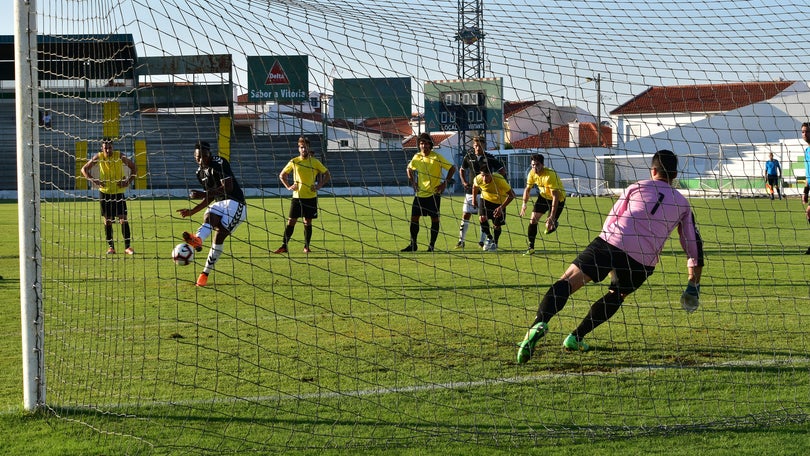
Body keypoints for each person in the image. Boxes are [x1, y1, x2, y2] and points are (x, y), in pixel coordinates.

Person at [516, 150, 704, 364]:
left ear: (653, 171)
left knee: (567, 281)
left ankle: (539, 324)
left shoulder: (637, 187)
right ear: (675, 175)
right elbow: (692, 245)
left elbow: (613, 216)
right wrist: (692, 282)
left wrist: (607, 246)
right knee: (617, 294)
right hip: (643, 260)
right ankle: (576, 338)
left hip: (611, 241)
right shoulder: (682, 203)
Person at [177, 140, 247, 287]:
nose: (201, 160)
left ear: (209, 154)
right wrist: (192, 211)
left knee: (218, 236)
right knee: (209, 216)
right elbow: (210, 197)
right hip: (220, 204)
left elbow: (228, 187)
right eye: (197, 157)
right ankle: (198, 239)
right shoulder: (200, 173)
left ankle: (205, 272)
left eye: (204, 156)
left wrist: (203, 193)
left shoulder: (219, 162)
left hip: (236, 204)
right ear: (194, 156)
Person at [274, 136, 331, 254]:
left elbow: (327, 174)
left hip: (310, 197)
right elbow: (282, 175)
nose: (304, 149)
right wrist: (288, 186)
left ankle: (306, 246)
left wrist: (319, 185)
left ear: (309, 148)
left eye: (305, 147)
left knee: (307, 221)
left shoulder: (315, 162)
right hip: (297, 197)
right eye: (302, 147)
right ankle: (284, 246)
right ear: (299, 149)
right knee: (291, 221)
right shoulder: (294, 161)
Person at [81, 137, 137, 255]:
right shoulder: (99, 157)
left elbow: (134, 167)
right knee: (108, 221)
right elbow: (84, 169)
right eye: (105, 148)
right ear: (102, 148)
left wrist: (128, 181)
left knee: (123, 219)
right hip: (105, 193)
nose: (108, 150)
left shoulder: (119, 156)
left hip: (118, 193)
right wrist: (94, 181)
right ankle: (111, 247)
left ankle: (127, 247)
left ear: (113, 147)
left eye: (110, 147)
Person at [401, 132, 456, 252]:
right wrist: (413, 182)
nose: (424, 146)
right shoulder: (417, 157)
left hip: (434, 194)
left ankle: (431, 246)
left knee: (435, 220)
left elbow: (452, 168)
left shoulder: (436, 157)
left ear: (430, 145)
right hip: (420, 195)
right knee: (414, 218)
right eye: (422, 143)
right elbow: (409, 169)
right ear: (419, 145)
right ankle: (413, 244)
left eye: (426, 144)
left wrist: (444, 184)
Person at [456, 135, 506, 249]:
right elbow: (462, 170)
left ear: (484, 145)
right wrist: (464, 182)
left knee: (483, 217)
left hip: (485, 193)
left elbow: (502, 170)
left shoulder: (490, 157)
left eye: (480, 145)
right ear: (473, 146)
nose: (477, 147)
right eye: (476, 145)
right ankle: (461, 240)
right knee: (466, 214)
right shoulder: (469, 156)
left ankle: (482, 241)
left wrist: (494, 182)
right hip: (470, 191)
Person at [519, 153, 567, 256]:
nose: (534, 168)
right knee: (532, 220)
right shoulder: (531, 173)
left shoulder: (550, 175)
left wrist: (551, 216)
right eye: (532, 165)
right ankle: (531, 247)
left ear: (542, 164)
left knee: (548, 226)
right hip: (543, 197)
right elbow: (527, 190)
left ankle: (553, 224)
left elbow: (555, 197)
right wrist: (524, 204)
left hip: (558, 199)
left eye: (537, 165)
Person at [471, 160, 516, 252]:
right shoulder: (478, 179)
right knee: (482, 218)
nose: (484, 178)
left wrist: (501, 207)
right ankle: (489, 237)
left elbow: (512, 195)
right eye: (483, 175)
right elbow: (474, 187)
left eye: (487, 175)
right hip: (485, 199)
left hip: (499, 202)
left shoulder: (499, 180)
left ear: (491, 174)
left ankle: (495, 242)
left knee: (496, 225)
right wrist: (473, 199)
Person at [802, 123, 810, 254]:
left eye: (807, 132)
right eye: (803, 132)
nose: (804, 134)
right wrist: (806, 191)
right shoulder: (807, 151)